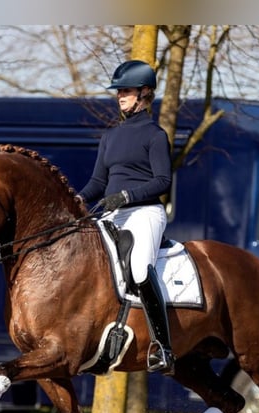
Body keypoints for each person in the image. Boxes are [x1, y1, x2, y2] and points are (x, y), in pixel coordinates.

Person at [77, 59, 175, 375]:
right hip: (114, 213)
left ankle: (163, 346)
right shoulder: (110, 137)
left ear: (144, 93)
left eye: (126, 91)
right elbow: (98, 183)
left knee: (140, 269)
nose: (120, 96)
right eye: (119, 91)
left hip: (145, 212)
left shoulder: (156, 135)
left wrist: (128, 195)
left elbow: (163, 181)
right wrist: (78, 197)